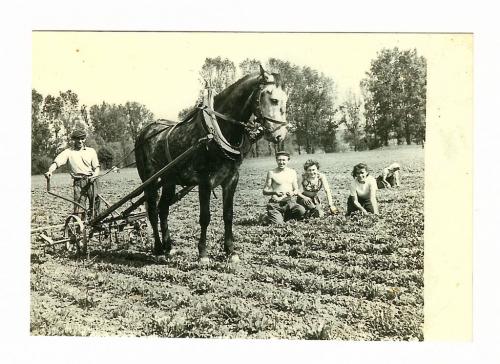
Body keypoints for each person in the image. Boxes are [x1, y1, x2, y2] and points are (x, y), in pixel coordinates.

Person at [45, 129, 101, 218]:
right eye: (77, 139)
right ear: (73, 140)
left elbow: (97, 167)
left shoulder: (91, 151)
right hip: (79, 182)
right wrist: (50, 171)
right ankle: (79, 229)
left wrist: (95, 175)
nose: (80, 141)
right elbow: (56, 162)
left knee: (95, 205)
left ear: (85, 139)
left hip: (92, 181)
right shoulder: (68, 152)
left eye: (82, 138)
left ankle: (96, 226)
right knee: (79, 207)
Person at [262, 151, 306, 225]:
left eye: (283, 160)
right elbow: (264, 191)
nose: (281, 162)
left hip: (289, 202)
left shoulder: (292, 172)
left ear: (288, 160)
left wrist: (292, 193)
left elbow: (296, 189)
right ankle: (269, 217)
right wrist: (274, 192)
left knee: (301, 211)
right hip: (276, 203)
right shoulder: (272, 173)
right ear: (276, 160)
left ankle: (284, 216)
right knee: (279, 224)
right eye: (279, 160)